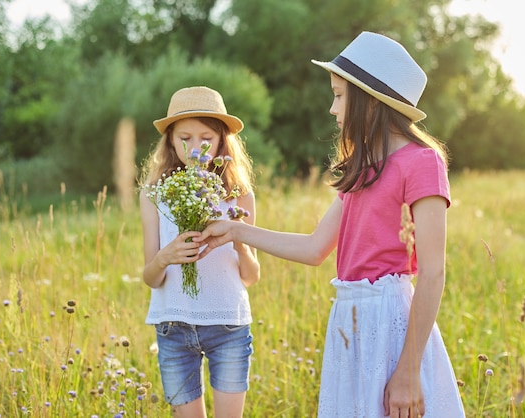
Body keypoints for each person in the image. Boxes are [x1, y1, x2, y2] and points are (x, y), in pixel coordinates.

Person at [195, 32, 466, 417]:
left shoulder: (422, 162)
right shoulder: (362, 168)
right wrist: (237, 231)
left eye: (339, 95)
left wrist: (407, 370)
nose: (332, 108)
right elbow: (314, 248)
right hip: (349, 317)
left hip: (391, 322)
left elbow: (434, 272)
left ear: (369, 100)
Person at [139, 86, 260, 418]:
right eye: (185, 138)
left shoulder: (238, 195)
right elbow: (151, 277)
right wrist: (167, 255)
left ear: (222, 141)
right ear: (170, 141)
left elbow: (251, 276)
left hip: (228, 325)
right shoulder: (155, 195)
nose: (196, 148)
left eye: (206, 138)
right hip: (173, 325)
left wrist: (238, 239)